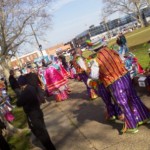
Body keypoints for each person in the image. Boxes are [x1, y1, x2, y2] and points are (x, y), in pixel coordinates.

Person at [89, 44, 150, 133]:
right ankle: (144, 117)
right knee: (133, 97)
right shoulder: (114, 52)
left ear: (95, 50)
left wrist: (101, 75)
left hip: (114, 82)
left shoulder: (96, 60)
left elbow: (94, 76)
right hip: (125, 77)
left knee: (123, 103)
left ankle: (132, 126)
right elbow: (123, 61)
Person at [17, 76, 56, 150]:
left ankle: (50, 147)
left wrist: (21, 93)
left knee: (41, 132)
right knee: (42, 129)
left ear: (21, 84)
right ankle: (50, 146)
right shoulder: (31, 87)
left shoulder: (25, 92)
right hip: (37, 111)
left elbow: (19, 103)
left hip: (33, 114)